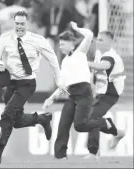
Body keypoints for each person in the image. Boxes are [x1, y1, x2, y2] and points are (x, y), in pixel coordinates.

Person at [0, 11, 66, 164]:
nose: (19, 26)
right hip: (11, 83)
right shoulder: (5, 38)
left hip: (27, 84)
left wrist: (59, 80)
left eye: (22, 24)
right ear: (13, 23)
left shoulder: (38, 40)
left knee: (7, 114)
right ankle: (42, 118)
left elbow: (53, 59)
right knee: (16, 121)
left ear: (28, 24)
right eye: (17, 23)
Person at [42, 22, 122, 160]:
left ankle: (105, 123)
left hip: (84, 93)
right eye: (60, 44)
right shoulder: (64, 62)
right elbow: (64, 84)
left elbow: (89, 34)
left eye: (62, 44)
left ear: (71, 44)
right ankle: (60, 156)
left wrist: (76, 28)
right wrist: (51, 98)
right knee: (63, 124)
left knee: (80, 126)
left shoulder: (80, 53)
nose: (60, 47)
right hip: (72, 94)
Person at [83, 31, 126, 159]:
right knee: (88, 119)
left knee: (92, 119)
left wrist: (84, 63)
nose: (97, 42)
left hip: (110, 94)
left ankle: (93, 152)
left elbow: (103, 66)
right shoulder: (99, 54)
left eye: (101, 40)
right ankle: (117, 132)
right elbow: (97, 74)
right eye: (98, 39)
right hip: (101, 94)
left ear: (109, 42)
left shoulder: (110, 55)